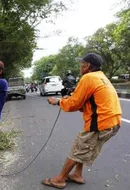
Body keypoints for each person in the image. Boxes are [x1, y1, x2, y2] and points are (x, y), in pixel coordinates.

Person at [43, 53, 122, 189]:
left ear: (88, 66)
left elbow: (74, 104)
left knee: (79, 148)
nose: (80, 66)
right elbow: (86, 101)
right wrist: (69, 99)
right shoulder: (101, 77)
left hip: (101, 123)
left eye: (82, 64)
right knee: (84, 145)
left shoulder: (88, 77)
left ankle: (60, 179)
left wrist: (58, 101)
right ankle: (77, 174)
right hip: (112, 122)